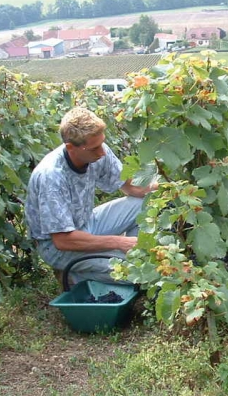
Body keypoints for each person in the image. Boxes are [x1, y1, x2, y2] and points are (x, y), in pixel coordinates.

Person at [25, 107, 156, 284]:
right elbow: (62, 240)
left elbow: (132, 188)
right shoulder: (51, 176)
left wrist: (165, 189)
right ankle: (75, 276)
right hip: (59, 247)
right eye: (94, 148)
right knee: (138, 271)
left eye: (102, 143)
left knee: (144, 204)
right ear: (71, 147)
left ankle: (123, 260)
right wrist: (119, 243)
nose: (102, 152)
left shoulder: (98, 149)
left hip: (87, 221)